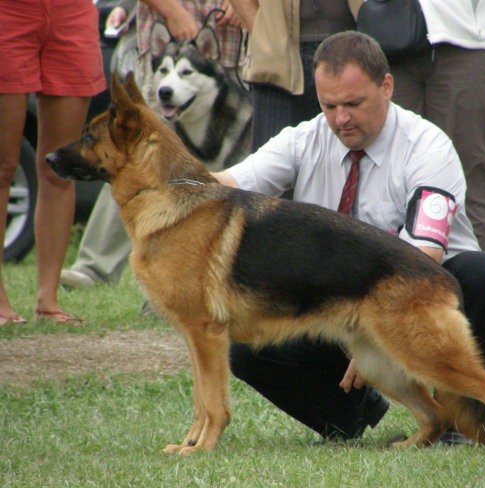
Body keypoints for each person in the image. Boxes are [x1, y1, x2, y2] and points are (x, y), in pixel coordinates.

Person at [215, 31, 485, 441]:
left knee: (478, 274)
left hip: (420, 299)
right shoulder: (302, 140)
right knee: (248, 350)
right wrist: (163, 177)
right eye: (328, 105)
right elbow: (226, 185)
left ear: (386, 87)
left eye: (353, 104)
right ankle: (348, 416)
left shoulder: (428, 147)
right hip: (337, 313)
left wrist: (378, 331)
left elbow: (423, 255)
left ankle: (457, 415)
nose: (340, 119)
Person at [60, 0, 246, 289]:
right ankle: (95, 267)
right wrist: (173, 11)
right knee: (137, 156)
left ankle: (214, 274)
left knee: (238, 162)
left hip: (235, 38)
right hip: (168, 31)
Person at [0, 0, 106, 325]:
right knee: (3, 167)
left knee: (59, 168)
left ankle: (48, 301)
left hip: (71, 11)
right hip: (9, 11)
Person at [389, 0, 485, 261]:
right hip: (389, 35)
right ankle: (396, 281)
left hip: (467, 39)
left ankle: (482, 282)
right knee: (391, 165)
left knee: (470, 165)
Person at [228, 0, 361, 151]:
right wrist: (262, 32)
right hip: (278, 62)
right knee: (273, 166)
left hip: (355, 46)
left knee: (357, 164)